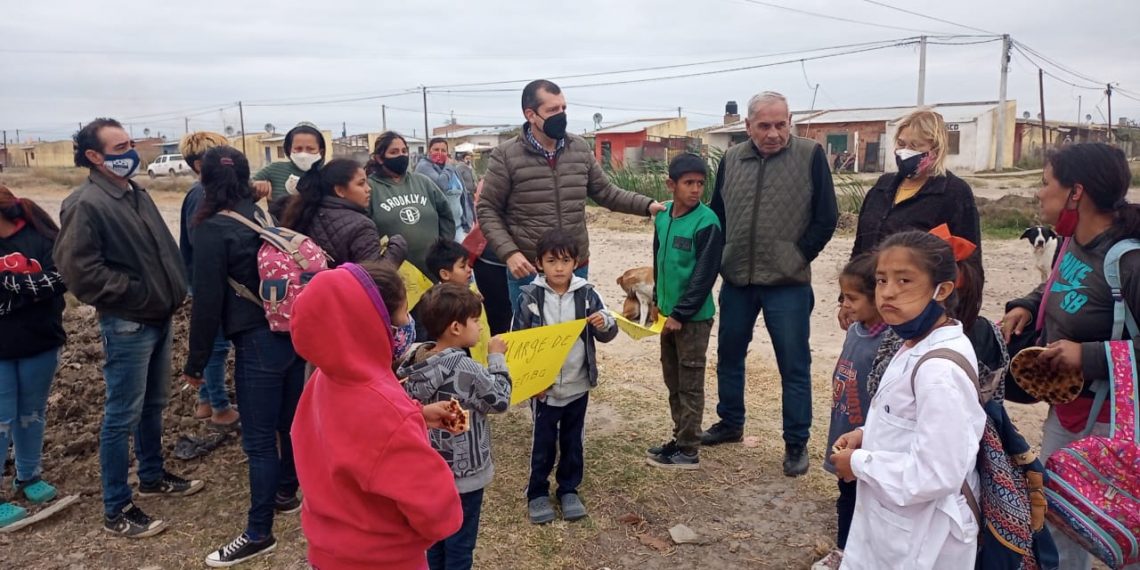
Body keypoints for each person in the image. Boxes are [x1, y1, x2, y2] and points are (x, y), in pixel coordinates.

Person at [55, 118, 201, 538]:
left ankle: (152, 476)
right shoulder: (85, 204)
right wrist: (137, 293)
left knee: (153, 404)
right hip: (127, 324)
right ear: (94, 157)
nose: (130, 152)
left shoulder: (135, 194)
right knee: (121, 416)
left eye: (130, 143)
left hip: (158, 316)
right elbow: (80, 273)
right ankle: (116, 507)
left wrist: (168, 290)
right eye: (119, 147)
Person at [1001, 143, 1140, 570]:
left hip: (1115, 422)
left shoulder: (1129, 261)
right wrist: (1026, 303)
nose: (1039, 193)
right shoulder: (1069, 243)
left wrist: (1089, 355)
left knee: (1121, 524)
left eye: (1046, 184)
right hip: (1067, 412)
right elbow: (1059, 288)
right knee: (1060, 518)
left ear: (1075, 193)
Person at [291, 261, 464, 570]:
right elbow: (437, 509)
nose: (407, 325)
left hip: (329, 553)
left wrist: (416, 415)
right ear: (371, 324)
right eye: (401, 316)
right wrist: (404, 421)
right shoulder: (384, 407)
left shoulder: (324, 378)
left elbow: (352, 440)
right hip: (384, 559)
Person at [179, 146, 307, 566]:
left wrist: (196, 363)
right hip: (290, 332)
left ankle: (258, 532)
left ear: (203, 177)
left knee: (257, 441)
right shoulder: (260, 213)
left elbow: (208, 301)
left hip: (256, 340)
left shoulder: (212, 227)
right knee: (288, 424)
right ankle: (286, 493)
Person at [832, 230, 986, 569]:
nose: (888, 292)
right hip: (896, 525)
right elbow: (906, 419)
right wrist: (865, 435)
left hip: (924, 537)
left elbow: (935, 473)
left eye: (904, 281)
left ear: (942, 290)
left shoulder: (939, 372)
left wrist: (858, 463)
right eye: (881, 280)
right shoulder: (913, 342)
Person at [705, 91, 839, 478]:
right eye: (764, 125)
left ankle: (796, 442)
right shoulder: (731, 159)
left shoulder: (810, 155)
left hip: (788, 282)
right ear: (747, 127)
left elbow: (826, 218)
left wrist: (798, 256)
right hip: (738, 280)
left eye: (781, 124)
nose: (774, 133)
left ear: (790, 121)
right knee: (729, 354)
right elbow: (719, 215)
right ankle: (730, 422)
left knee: (793, 365)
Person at [477, 79, 665, 303]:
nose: (561, 115)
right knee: (532, 337)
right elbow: (488, 209)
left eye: (563, 108)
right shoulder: (506, 155)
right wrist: (509, 253)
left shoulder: (579, 148)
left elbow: (607, 193)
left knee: (576, 334)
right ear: (531, 114)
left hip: (575, 267)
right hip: (528, 271)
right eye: (553, 109)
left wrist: (647, 205)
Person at [399, 283, 512, 570]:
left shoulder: (413, 358)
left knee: (433, 539)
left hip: (426, 469)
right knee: (461, 545)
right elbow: (499, 401)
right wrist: (496, 359)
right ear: (456, 328)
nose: (479, 326)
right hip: (464, 476)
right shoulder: (468, 369)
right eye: (475, 320)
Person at [512, 228, 618, 524]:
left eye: (566, 261)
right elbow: (518, 342)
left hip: (577, 383)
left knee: (573, 441)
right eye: (551, 261)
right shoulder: (530, 298)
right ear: (538, 264)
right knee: (543, 443)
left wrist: (603, 323)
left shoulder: (588, 295)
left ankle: (569, 489)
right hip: (544, 389)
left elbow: (610, 330)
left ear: (576, 263)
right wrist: (531, 382)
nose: (559, 268)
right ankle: (537, 493)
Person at [847, 109, 982, 327]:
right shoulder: (882, 188)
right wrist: (848, 299)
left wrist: (953, 318)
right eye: (901, 143)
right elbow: (860, 248)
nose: (904, 152)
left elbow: (969, 264)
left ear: (935, 150)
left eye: (915, 146)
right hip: (870, 308)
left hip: (916, 314)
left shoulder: (953, 193)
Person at [644, 154, 723, 470]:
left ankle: (689, 450)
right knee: (672, 379)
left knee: (690, 382)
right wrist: (656, 302)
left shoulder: (708, 222)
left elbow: (705, 274)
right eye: (689, 183)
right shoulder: (662, 216)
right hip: (666, 315)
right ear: (671, 185)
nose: (695, 190)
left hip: (692, 319)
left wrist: (680, 313)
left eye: (701, 183)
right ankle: (679, 438)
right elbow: (658, 260)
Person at [811, 254, 886, 570]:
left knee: (866, 499)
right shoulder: (857, 329)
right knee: (846, 493)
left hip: (868, 439)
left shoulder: (892, 340)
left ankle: (856, 553)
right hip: (845, 425)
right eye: (842, 298)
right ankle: (845, 550)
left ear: (878, 297)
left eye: (853, 298)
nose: (845, 305)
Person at [0, 186, 67, 524]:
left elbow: (62, 278)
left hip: (40, 342)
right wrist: (29, 290)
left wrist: (9, 287)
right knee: (1, 419)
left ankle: (28, 475)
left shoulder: (41, 236)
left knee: (31, 413)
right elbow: (44, 285)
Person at [177, 131, 239, 427]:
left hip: (201, 278)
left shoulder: (201, 191)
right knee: (216, 346)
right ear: (201, 164)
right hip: (208, 280)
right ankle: (220, 407)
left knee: (213, 343)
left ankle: (205, 401)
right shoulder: (203, 194)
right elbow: (204, 244)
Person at [280, 157, 406, 267]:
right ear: (340, 191)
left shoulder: (306, 212)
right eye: (361, 184)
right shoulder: (361, 226)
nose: (368, 189)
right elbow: (375, 277)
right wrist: (397, 247)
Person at [366, 131, 455, 274]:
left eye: (404, 151)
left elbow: (445, 214)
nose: (401, 156)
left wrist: (443, 248)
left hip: (432, 269)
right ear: (379, 158)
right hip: (394, 274)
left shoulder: (422, 182)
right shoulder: (370, 187)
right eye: (394, 152)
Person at [251, 122, 326, 219]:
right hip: (281, 230)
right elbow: (244, 188)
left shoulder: (328, 173)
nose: (304, 154)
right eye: (298, 149)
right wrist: (256, 186)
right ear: (289, 150)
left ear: (321, 151)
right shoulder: (275, 169)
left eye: (310, 149)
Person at [417, 138, 473, 240]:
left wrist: (469, 220)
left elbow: (463, 196)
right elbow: (441, 185)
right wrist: (448, 166)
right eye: (436, 149)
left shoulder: (452, 169)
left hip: (458, 226)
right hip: (439, 230)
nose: (440, 153)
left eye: (443, 150)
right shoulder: (424, 167)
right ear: (429, 151)